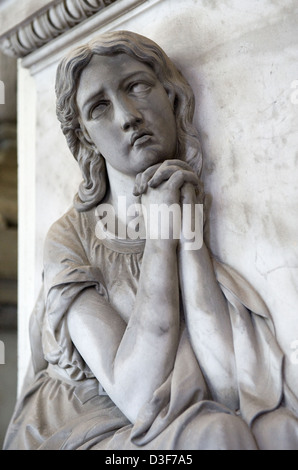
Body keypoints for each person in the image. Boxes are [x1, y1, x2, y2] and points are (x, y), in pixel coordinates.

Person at [4, 30, 298, 450]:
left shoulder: (183, 203)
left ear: (172, 96)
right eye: (99, 107)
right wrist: (162, 237)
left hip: (173, 414)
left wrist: (188, 236)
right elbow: (138, 396)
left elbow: (229, 387)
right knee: (217, 434)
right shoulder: (70, 238)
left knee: (283, 430)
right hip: (78, 427)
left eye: (137, 86)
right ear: (86, 136)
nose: (127, 116)